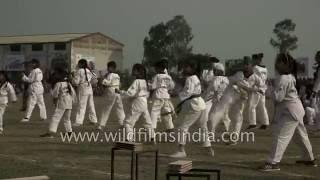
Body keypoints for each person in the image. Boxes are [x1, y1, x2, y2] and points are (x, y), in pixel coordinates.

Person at [260, 53, 317, 171]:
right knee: (301, 136)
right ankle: (309, 159)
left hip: (290, 112)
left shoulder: (283, 78)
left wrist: (266, 90)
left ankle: (273, 163)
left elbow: (278, 98)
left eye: (279, 62)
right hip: (296, 110)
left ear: (286, 64)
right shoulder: (290, 76)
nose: (276, 64)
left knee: (280, 136)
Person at [170, 60, 214, 158]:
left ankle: (181, 150)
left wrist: (176, 94)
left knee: (182, 127)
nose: (184, 69)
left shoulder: (190, 78)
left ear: (192, 68)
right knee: (203, 128)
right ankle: (208, 149)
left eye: (187, 67)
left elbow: (188, 92)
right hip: (201, 104)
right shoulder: (196, 78)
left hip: (194, 104)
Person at [119, 63, 154, 142]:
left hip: (138, 102)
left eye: (134, 69)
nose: (132, 71)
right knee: (147, 122)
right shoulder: (145, 81)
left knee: (128, 122)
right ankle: (152, 137)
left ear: (138, 71)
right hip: (144, 102)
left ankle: (129, 139)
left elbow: (130, 93)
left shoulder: (137, 81)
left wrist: (121, 92)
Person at [40, 71, 76, 138]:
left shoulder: (58, 84)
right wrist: (73, 101)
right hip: (69, 101)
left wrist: (54, 99)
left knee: (55, 117)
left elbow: (55, 94)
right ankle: (69, 132)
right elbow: (73, 93)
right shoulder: (68, 83)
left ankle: (51, 132)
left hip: (62, 101)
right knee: (67, 119)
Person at [240, 56, 269, 130]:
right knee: (262, 107)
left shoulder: (255, 68)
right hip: (261, 89)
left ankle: (253, 124)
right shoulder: (265, 69)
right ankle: (265, 123)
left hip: (255, 90)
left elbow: (250, 77)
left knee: (252, 107)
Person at [97, 61, 125, 130]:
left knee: (106, 108)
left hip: (111, 91)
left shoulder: (111, 75)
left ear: (111, 67)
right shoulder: (117, 75)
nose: (107, 69)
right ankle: (123, 123)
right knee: (119, 108)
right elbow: (119, 84)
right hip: (117, 91)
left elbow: (108, 83)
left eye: (108, 67)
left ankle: (101, 125)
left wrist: (102, 79)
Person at [150, 60, 175, 132]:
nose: (155, 69)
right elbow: (171, 86)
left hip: (158, 95)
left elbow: (153, 86)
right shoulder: (168, 76)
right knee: (166, 113)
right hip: (166, 95)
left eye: (156, 68)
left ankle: (152, 130)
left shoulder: (157, 76)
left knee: (154, 112)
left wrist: (149, 85)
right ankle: (170, 129)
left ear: (159, 68)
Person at [205, 63, 231, 133]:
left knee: (212, 117)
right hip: (225, 100)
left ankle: (211, 133)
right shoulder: (226, 79)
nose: (213, 71)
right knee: (225, 116)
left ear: (219, 71)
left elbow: (215, 88)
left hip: (217, 101)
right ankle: (228, 130)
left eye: (215, 70)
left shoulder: (216, 78)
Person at [72, 59, 98, 126]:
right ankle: (94, 120)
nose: (78, 65)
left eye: (79, 64)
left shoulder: (79, 71)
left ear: (81, 64)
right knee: (91, 105)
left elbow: (76, 82)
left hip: (83, 88)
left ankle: (79, 121)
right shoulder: (88, 70)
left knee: (81, 105)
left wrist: (72, 79)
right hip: (89, 88)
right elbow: (94, 79)